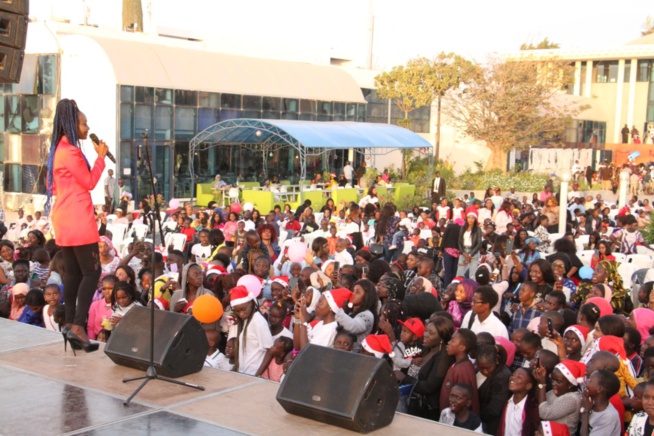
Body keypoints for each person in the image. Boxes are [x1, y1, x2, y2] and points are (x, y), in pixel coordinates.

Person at [46, 99, 108, 353]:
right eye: (83, 123)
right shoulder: (70, 151)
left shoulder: (60, 148)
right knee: (91, 273)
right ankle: (79, 325)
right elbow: (90, 181)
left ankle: (71, 326)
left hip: (65, 218)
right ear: (71, 124)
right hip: (78, 219)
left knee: (72, 275)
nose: (87, 127)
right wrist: (101, 158)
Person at [229, 285, 273, 375]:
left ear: (251, 303)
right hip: (244, 373)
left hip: (253, 374)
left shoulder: (258, 322)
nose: (241, 314)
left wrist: (257, 374)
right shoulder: (246, 320)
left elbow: (270, 350)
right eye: (237, 311)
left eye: (243, 309)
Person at [440, 329, 480, 414]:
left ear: (462, 347)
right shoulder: (457, 364)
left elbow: (462, 403)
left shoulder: (463, 370)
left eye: (453, 341)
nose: (449, 342)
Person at [579, 369, 621, 436]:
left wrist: (585, 411)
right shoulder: (589, 403)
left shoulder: (608, 417)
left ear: (599, 389)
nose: (586, 382)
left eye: (590, 381)